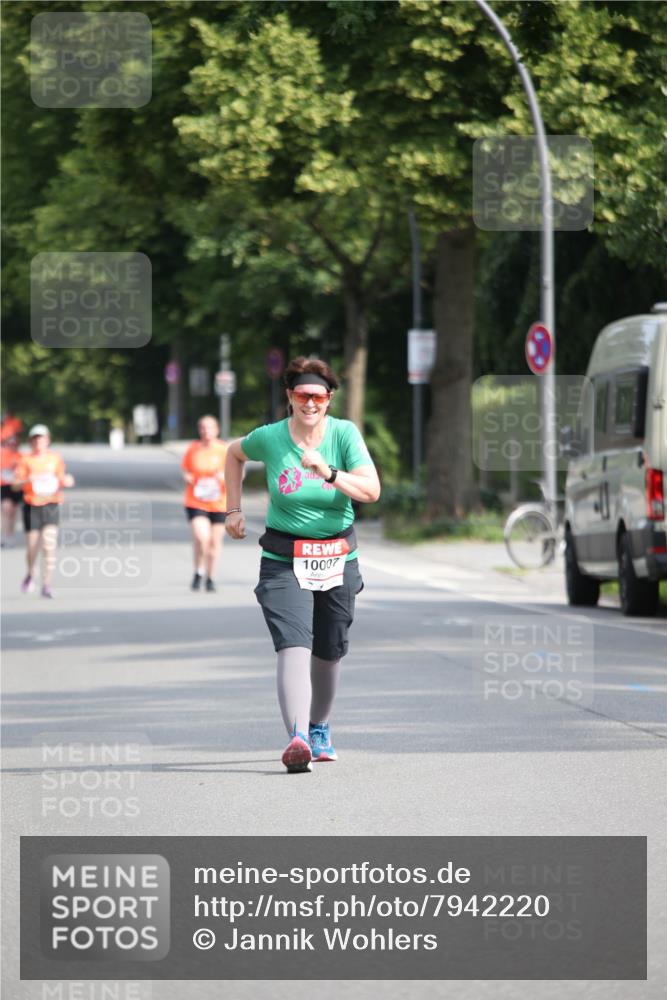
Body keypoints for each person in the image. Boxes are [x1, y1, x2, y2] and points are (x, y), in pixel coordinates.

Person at [224, 357, 381, 773]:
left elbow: (371, 490)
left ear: (329, 400)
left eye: (318, 396)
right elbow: (233, 454)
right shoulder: (272, 437)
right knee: (294, 642)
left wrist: (329, 472)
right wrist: (233, 509)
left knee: (329, 648)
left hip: (337, 556)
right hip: (284, 557)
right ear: (290, 397)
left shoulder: (344, 434)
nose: (310, 403)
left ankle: (319, 727)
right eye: (302, 395)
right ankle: (297, 739)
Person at [13, 424, 74, 598]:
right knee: (32, 547)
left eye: (41, 438)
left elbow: (62, 478)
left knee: (49, 545)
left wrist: (67, 480)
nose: (38, 442)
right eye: (35, 439)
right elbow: (15, 485)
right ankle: (30, 573)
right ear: (31, 441)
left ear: (48, 440)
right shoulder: (25, 460)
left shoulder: (55, 459)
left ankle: (46, 584)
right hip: (32, 506)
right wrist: (27, 480)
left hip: (51, 505)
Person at [182, 415, 227, 593]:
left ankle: (211, 577)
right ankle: (199, 571)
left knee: (214, 543)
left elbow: (239, 474)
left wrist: (224, 477)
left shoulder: (224, 450)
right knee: (202, 538)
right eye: (202, 428)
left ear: (216, 430)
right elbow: (186, 470)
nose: (206, 431)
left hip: (220, 503)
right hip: (196, 501)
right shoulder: (193, 449)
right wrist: (188, 477)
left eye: (209, 428)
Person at [1, 433, 22, 546]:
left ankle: (10, 534)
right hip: (4, 485)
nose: (12, 446)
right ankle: (4, 534)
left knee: (13, 512)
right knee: (6, 509)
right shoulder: (2, 455)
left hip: (16, 486)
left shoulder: (21, 456)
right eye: (9, 444)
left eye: (14, 444)